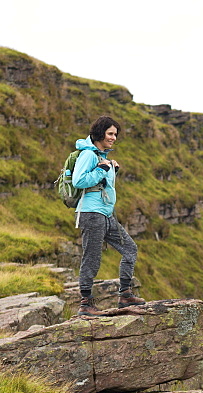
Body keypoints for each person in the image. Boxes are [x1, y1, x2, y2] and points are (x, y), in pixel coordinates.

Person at [71, 115, 146, 316]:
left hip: (106, 214)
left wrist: (112, 171)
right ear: (100, 133)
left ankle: (125, 295)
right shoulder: (88, 154)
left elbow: (100, 185)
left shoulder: (100, 155)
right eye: (110, 133)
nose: (114, 138)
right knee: (92, 258)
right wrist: (101, 169)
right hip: (91, 214)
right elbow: (79, 181)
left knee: (130, 248)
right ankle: (86, 304)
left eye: (115, 134)